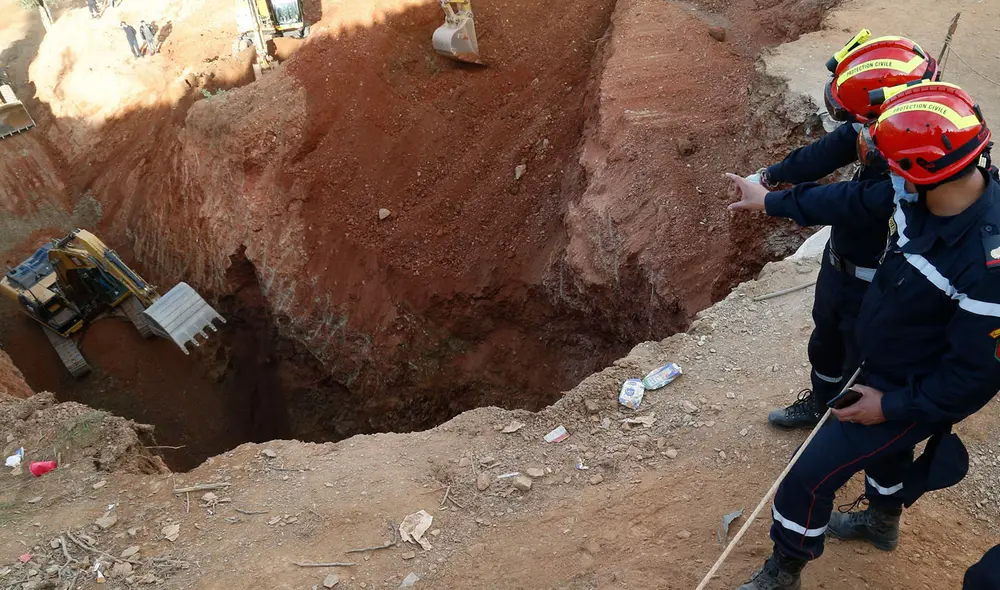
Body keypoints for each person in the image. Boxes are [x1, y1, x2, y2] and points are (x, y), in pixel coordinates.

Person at [727, 81, 1000, 589]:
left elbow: (973, 378)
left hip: (911, 389)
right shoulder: (924, 195)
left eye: (890, 165)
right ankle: (881, 522)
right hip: (885, 362)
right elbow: (853, 199)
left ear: (919, 171)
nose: (882, 172)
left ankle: (784, 570)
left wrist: (890, 406)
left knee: (807, 476)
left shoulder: (988, 268)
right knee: (887, 453)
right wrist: (773, 201)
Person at [748, 32, 938, 430]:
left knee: (862, 361)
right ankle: (821, 402)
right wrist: (772, 176)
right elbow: (831, 150)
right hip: (842, 266)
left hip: (879, 286)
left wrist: (772, 201)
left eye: (863, 122)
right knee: (826, 342)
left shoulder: (926, 165)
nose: (858, 131)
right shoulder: (891, 126)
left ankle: (840, 430)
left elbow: (854, 201)